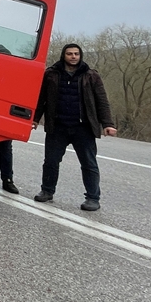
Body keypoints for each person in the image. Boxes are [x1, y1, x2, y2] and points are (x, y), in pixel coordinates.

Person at [33, 43, 117, 211]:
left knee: (89, 164)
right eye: (70, 53)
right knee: (50, 162)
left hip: (83, 128)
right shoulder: (51, 74)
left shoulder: (90, 76)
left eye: (76, 54)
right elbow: (41, 98)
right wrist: (35, 119)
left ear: (80, 56)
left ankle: (93, 198)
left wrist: (107, 124)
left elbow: (102, 101)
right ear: (64, 55)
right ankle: (47, 191)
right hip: (57, 127)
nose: (73, 56)